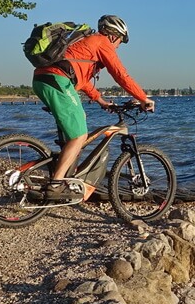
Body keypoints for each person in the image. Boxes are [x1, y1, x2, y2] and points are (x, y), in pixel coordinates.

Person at [31, 14, 155, 199]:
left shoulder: (87, 43)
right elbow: (121, 75)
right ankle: (56, 184)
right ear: (114, 36)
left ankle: (64, 171)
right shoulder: (102, 42)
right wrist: (143, 98)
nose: (118, 47)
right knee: (80, 135)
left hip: (43, 79)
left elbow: (83, 81)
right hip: (57, 80)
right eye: (120, 42)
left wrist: (101, 101)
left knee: (79, 124)